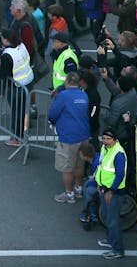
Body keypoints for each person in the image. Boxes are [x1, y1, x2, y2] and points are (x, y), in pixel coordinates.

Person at [80, 128, 129, 258]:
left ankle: (118, 250)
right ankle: (111, 240)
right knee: (107, 217)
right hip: (103, 189)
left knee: (113, 221)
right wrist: (99, 184)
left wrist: (111, 191)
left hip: (113, 192)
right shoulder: (104, 148)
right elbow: (101, 167)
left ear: (115, 140)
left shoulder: (118, 154)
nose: (106, 141)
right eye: (104, 138)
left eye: (109, 139)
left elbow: (120, 175)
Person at [49, 71, 91, 202]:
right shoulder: (84, 95)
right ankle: (78, 189)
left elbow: (53, 114)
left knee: (67, 167)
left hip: (68, 136)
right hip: (83, 134)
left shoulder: (63, 96)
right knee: (80, 164)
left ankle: (69, 194)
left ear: (67, 82)